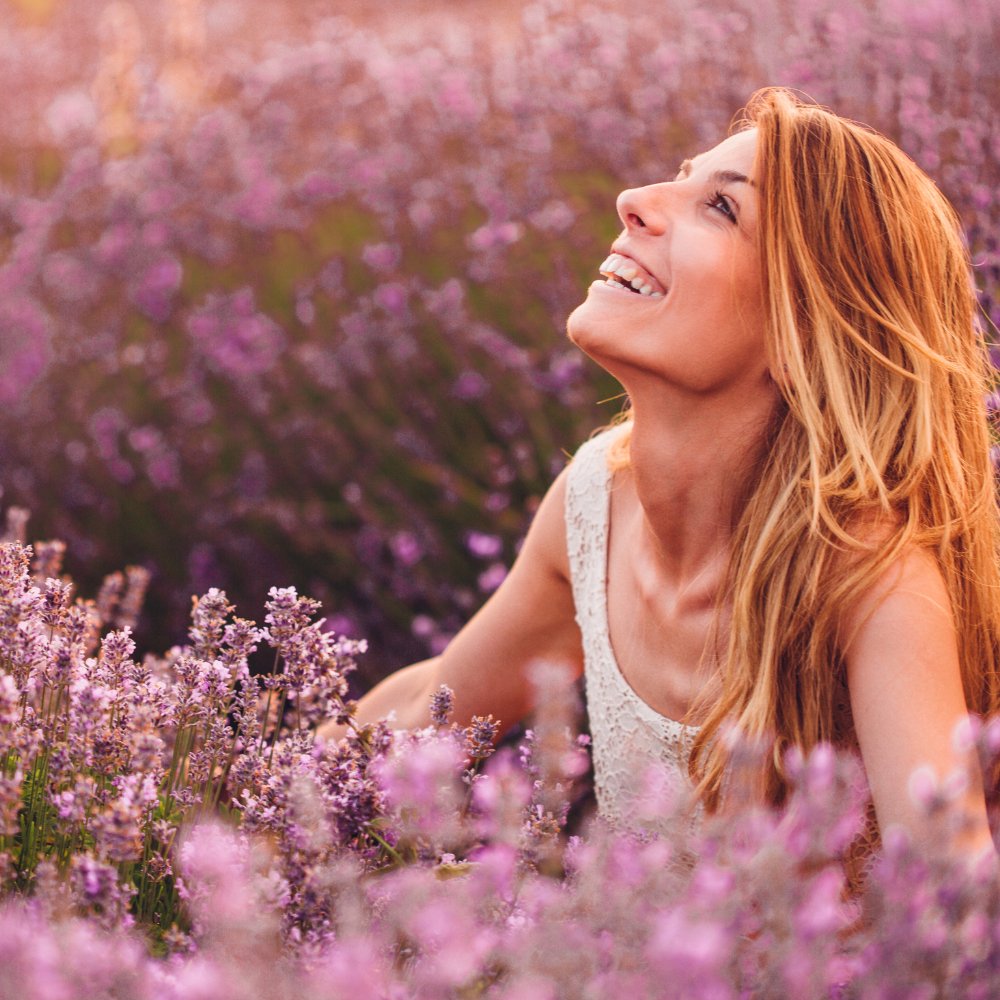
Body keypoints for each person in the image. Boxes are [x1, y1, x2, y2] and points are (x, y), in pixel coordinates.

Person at [318, 87, 1000, 861]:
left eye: (721, 208)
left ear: (804, 333)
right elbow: (436, 700)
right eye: (679, 175)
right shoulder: (596, 503)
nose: (633, 200)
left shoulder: (869, 574)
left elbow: (953, 895)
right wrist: (242, 795)